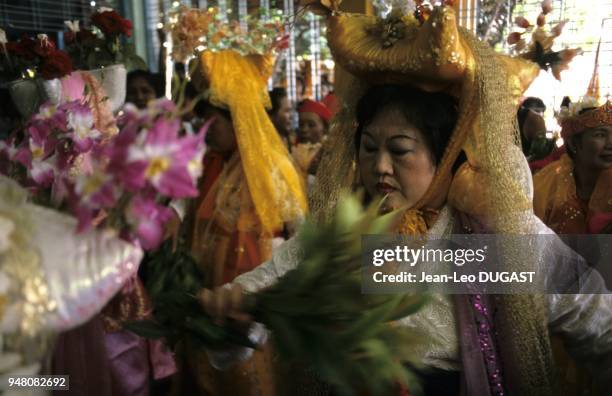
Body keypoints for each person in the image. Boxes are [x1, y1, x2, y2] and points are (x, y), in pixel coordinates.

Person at [198, 3, 612, 395]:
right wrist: (232, 314)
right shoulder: (343, 231)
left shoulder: (487, 236)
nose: (379, 166)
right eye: (368, 147)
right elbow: (259, 299)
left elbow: (594, 318)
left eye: (399, 150)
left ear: (447, 155)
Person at [176, 49, 308, 395]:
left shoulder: (272, 169)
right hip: (210, 306)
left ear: (237, 118)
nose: (204, 130)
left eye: (211, 121)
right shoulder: (207, 164)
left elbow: (300, 236)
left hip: (255, 311)